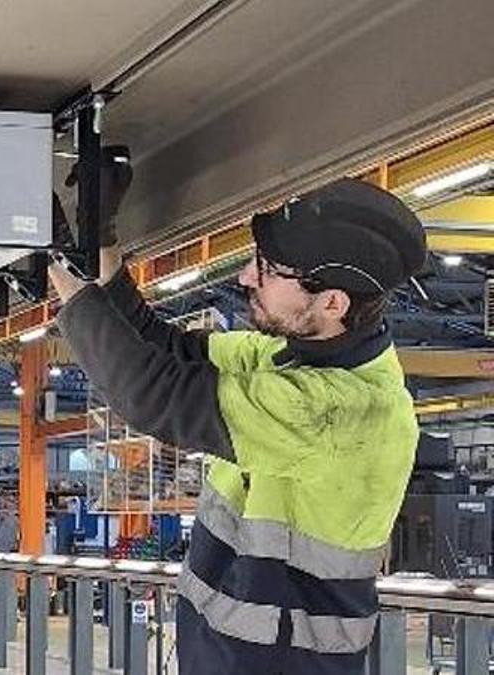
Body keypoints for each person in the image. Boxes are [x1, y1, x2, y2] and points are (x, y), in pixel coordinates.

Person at [50, 176, 426, 674]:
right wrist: (99, 241)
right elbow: (162, 348)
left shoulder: (343, 411)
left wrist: (52, 261)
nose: (247, 276)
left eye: (270, 271)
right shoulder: (288, 358)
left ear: (332, 303)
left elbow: (154, 394)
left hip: (282, 664)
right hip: (228, 648)